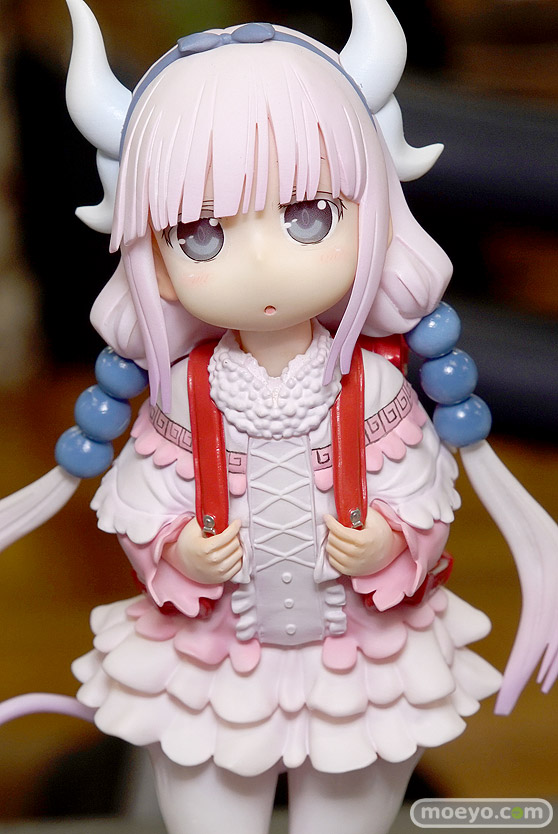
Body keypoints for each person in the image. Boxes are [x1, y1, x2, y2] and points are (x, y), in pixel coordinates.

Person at [1, 1, 557, 832]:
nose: (263, 262)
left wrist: (390, 545)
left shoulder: (374, 391)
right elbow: (141, 502)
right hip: (215, 656)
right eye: (201, 234)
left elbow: (422, 494)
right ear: (155, 258)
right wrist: (178, 551)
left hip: (359, 658)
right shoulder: (182, 399)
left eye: (308, 218)